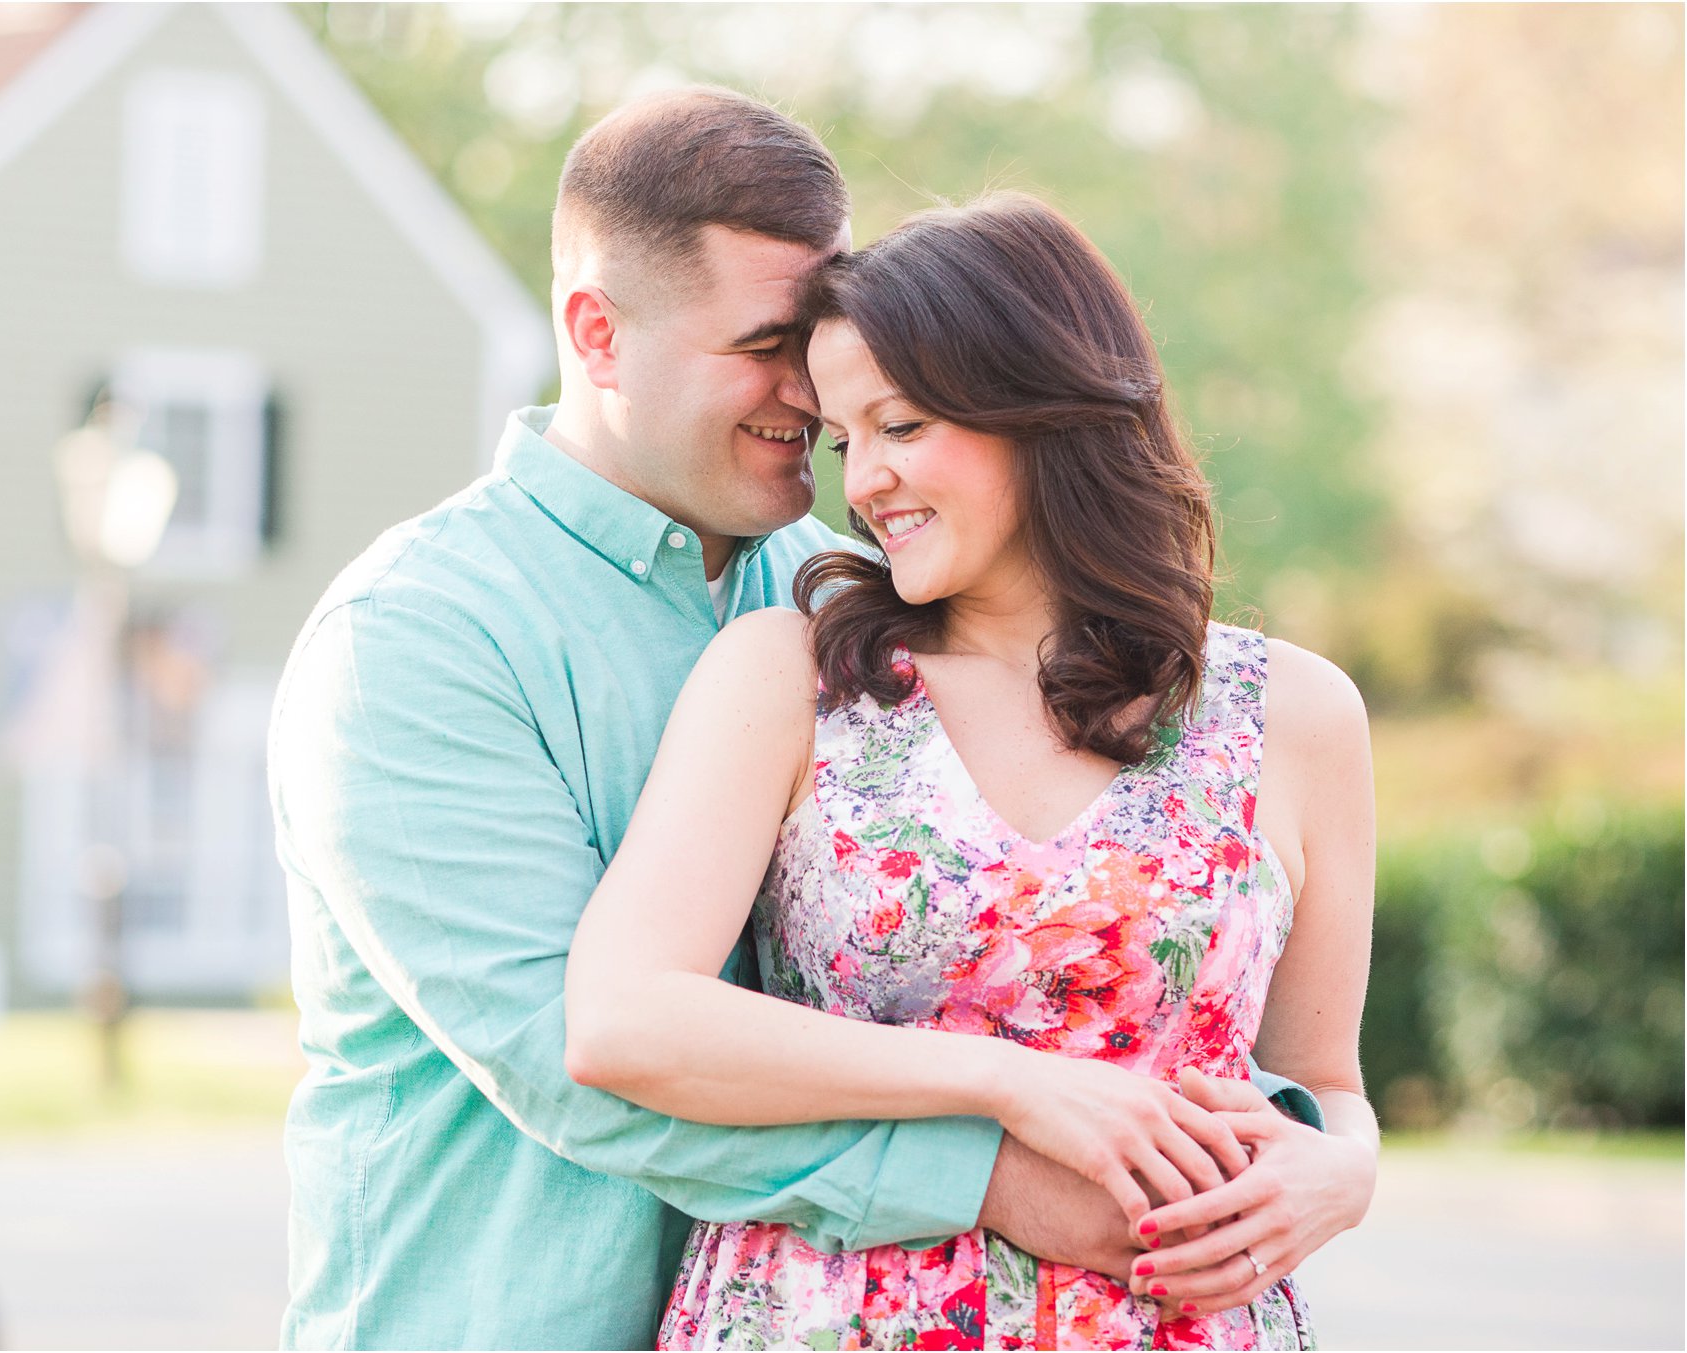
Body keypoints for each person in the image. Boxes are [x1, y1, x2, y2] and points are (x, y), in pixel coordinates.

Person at [273, 87, 1365, 1351]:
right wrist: (1003, 1176)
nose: (810, 396)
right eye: (765, 344)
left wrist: (1340, 1157)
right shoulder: (416, 640)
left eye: (856, 382)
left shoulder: (849, 602)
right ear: (598, 332)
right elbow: (573, 1068)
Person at [565, 193, 1380, 1349]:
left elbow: (1320, 1081)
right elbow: (621, 1019)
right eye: (846, 442)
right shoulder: (790, 679)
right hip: (828, 1318)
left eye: (898, 427)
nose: (863, 487)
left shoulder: (1292, 715)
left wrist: (1344, 1172)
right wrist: (1007, 1084)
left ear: (1037, 408)